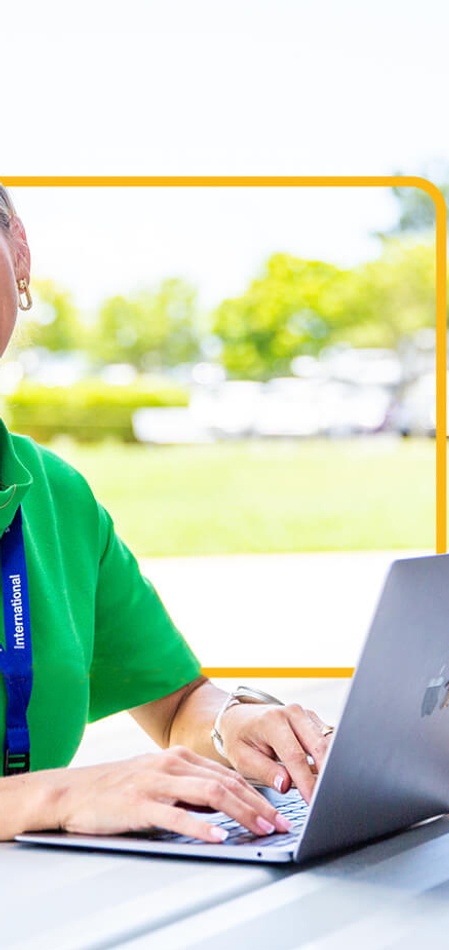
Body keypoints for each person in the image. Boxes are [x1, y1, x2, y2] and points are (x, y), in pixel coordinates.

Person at [0, 183, 332, 844]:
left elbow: (175, 703)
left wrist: (235, 725)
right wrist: (59, 794)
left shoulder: (54, 494)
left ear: (18, 249)